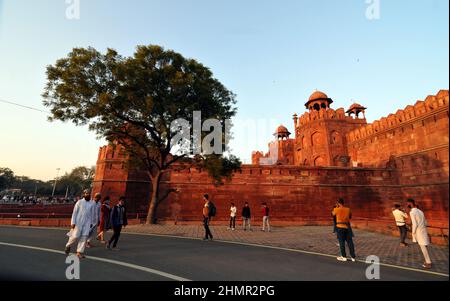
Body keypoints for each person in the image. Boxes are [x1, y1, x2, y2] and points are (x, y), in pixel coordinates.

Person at [65, 190, 96, 259]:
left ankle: (79, 252)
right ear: (84, 194)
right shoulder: (79, 202)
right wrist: (73, 222)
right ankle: (68, 245)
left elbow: (92, 214)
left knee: (84, 237)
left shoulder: (92, 203)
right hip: (78, 222)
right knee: (75, 236)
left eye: (89, 193)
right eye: (86, 193)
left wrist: (91, 223)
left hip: (87, 223)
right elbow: (74, 213)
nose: (88, 194)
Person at [408, 199, 432, 269]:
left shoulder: (412, 212)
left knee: (423, 247)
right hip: (423, 230)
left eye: (408, 203)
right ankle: (427, 260)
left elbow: (414, 224)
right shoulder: (420, 211)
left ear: (410, 203)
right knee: (424, 246)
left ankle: (428, 262)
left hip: (419, 231)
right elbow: (425, 222)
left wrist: (413, 232)